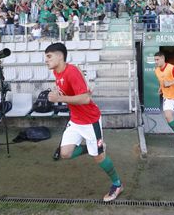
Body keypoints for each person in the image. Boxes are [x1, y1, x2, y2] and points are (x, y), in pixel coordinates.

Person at [45, 43, 123, 202]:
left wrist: (59, 98)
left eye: (49, 56)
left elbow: (86, 98)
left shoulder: (71, 72)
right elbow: (74, 83)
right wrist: (59, 91)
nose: (46, 60)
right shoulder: (57, 71)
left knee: (99, 158)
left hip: (90, 121)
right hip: (75, 121)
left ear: (60, 56)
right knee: (64, 153)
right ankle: (90, 148)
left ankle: (117, 184)